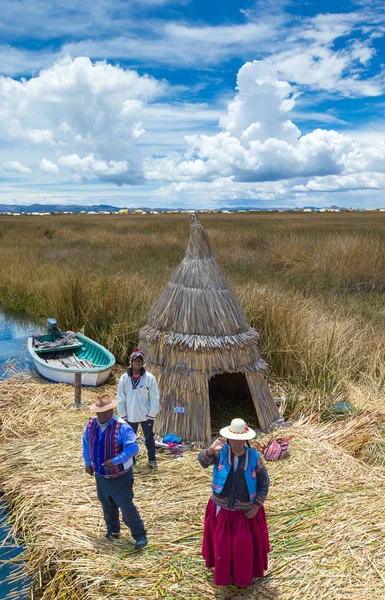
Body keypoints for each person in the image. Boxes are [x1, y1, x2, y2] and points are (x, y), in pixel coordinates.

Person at [198, 418, 270, 588]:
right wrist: (209, 450)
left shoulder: (254, 458)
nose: (236, 443)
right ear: (228, 438)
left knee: (242, 548)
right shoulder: (220, 453)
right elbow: (202, 462)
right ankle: (224, 573)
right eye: (233, 439)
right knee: (222, 546)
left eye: (240, 440)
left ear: (246, 439)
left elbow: (264, 484)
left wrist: (256, 505)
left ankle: (242, 578)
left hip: (245, 513)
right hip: (221, 509)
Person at [82, 393, 148, 550]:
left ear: (112, 410)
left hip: (120, 477)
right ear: (96, 412)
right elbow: (86, 445)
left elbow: (133, 448)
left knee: (126, 507)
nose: (104, 414)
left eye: (107, 411)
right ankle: (113, 532)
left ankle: (139, 535)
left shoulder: (122, 427)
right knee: (107, 505)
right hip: (101, 476)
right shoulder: (91, 425)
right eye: (101, 411)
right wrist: (87, 463)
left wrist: (115, 461)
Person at [117, 348, 160, 469]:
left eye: (140, 361)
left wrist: (151, 413)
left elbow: (154, 396)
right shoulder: (124, 378)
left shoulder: (149, 378)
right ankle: (131, 461)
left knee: (149, 439)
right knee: (129, 439)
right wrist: (123, 414)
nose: (138, 363)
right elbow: (121, 397)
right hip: (130, 415)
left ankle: (152, 460)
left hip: (146, 415)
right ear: (131, 362)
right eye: (135, 361)